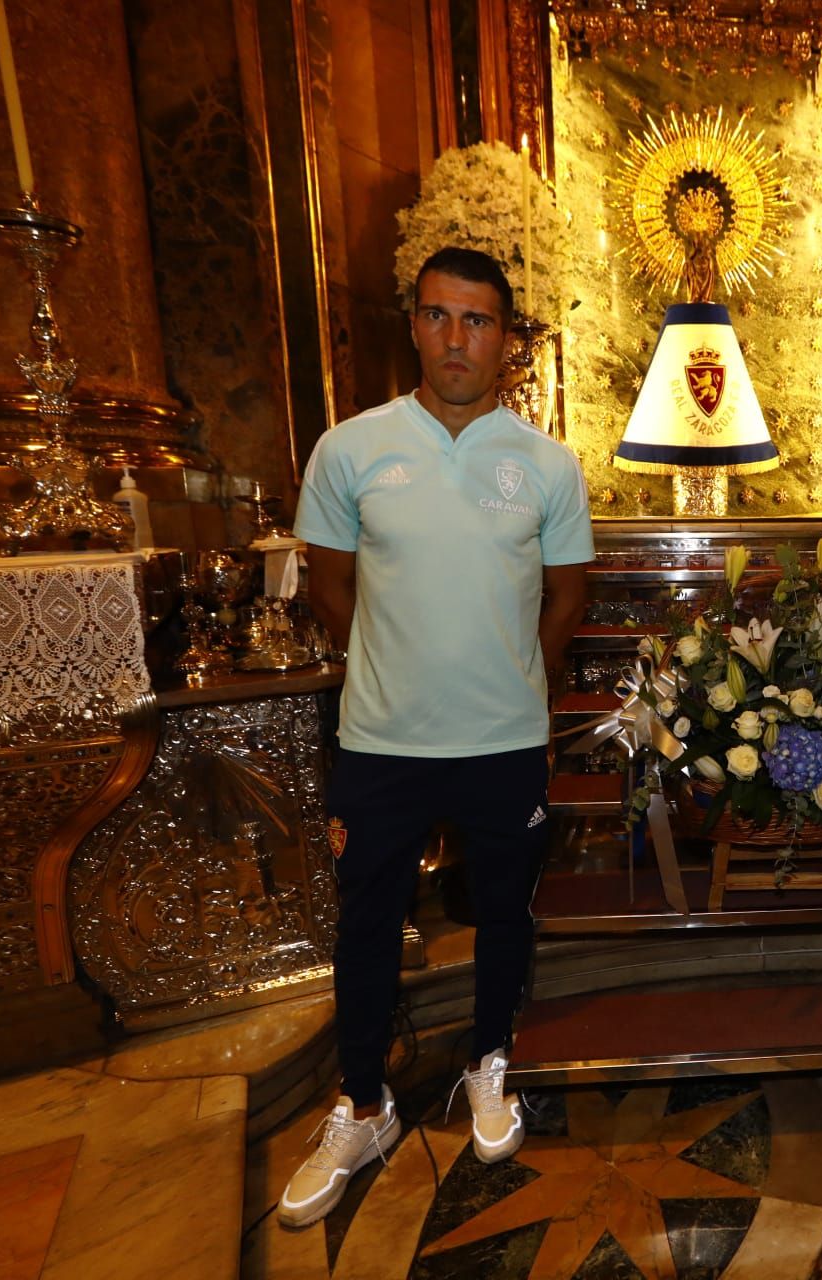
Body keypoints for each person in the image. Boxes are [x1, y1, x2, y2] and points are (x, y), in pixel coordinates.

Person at [279, 246, 593, 1227]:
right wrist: (393, 659)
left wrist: (515, 681)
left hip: (502, 738)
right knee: (365, 917)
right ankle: (361, 1099)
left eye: (480, 320)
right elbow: (329, 585)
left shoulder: (546, 464)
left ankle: (489, 1060)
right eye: (440, 316)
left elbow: (566, 595)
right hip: (382, 737)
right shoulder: (352, 447)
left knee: (505, 909)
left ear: (507, 338)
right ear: (413, 324)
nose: (459, 338)